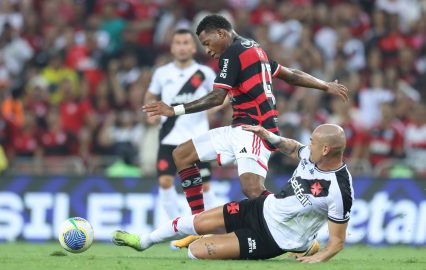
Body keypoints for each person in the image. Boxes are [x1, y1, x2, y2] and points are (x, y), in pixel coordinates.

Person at [142, 14, 349, 216]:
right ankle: (199, 223)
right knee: (182, 154)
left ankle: (296, 219)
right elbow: (291, 75)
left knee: (252, 190)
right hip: (239, 128)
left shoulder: (232, 53)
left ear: (221, 33)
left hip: (255, 130)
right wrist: (324, 85)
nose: (207, 50)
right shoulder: (254, 49)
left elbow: (217, 97)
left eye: (207, 42)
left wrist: (174, 110)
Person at [112, 124, 354, 262]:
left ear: (325, 149)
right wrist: (269, 137)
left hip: (273, 239)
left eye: (312, 142)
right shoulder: (312, 157)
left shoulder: (339, 189)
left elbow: (337, 241)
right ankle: (142, 242)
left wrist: (320, 258)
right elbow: (294, 147)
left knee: (196, 253)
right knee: (195, 223)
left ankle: (303, 246)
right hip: (262, 207)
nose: (307, 145)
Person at [144, 29, 220, 221]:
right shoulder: (162, 73)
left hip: (197, 138)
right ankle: (177, 227)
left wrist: (215, 107)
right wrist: (150, 112)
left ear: (194, 48)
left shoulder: (204, 73)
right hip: (169, 136)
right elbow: (151, 94)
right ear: (172, 47)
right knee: (165, 181)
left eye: (186, 43)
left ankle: (209, 229)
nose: (182, 47)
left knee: (205, 185)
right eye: (178, 43)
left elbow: (223, 96)